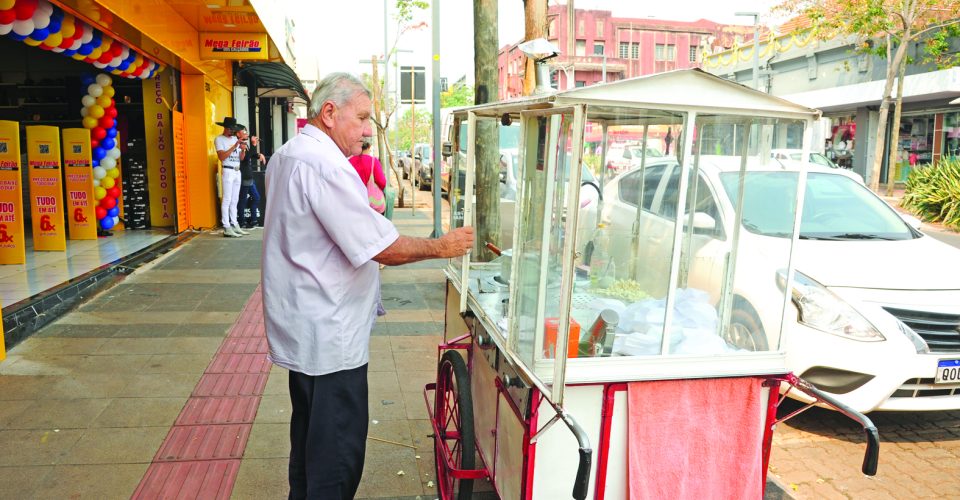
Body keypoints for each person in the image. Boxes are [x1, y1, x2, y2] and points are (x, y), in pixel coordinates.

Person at [261, 72, 474, 500]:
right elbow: (381, 246)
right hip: (329, 336)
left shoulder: (288, 154)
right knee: (336, 453)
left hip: (305, 326)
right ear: (328, 113)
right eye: (360, 119)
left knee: (308, 441)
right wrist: (443, 245)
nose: (366, 131)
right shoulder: (322, 166)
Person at [214, 116, 247, 238]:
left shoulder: (234, 138)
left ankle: (235, 224)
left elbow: (241, 158)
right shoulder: (219, 139)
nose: (233, 131)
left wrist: (243, 150)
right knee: (227, 199)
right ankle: (226, 227)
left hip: (237, 171)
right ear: (225, 128)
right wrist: (235, 146)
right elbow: (222, 157)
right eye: (231, 129)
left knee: (235, 200)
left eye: (234, 129)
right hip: (227, 171)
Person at [234, 125, 265, 228]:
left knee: (256, 197)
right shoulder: (238, 144)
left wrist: (258, 155)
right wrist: (254, 144)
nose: (247, 133)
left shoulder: (245, 144)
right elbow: (244, 158)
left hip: (249, 175)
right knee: (242, 200)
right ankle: (242, 221)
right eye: (244, 132)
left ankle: (253, 220)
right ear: (238, 133)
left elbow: (250, 155)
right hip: (243, 176)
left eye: (247, 131)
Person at [347, 141, 387, 214]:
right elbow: (382, 182)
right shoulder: (373, 161)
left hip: (355, 201)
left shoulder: (350, 161)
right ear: (368, 147)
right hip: (373, 204)